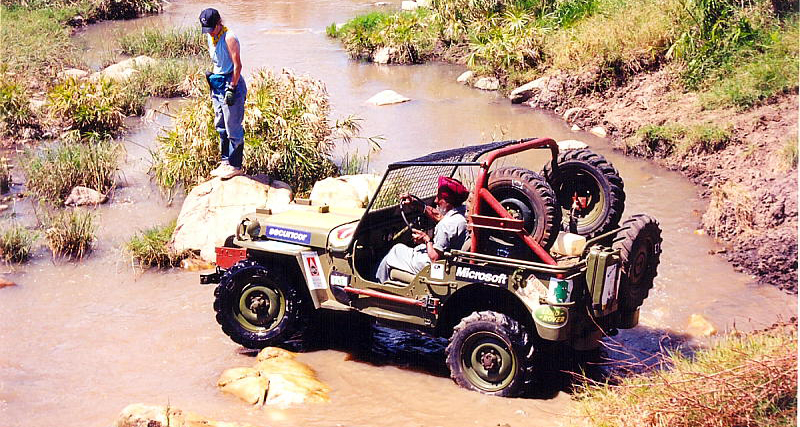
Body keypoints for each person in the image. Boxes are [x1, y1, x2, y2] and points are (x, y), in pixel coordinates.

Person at [376, 176, 469, 283]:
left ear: (448, 202)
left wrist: (426, 240)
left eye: (439, 198)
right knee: (416, 248)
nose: (435, 200)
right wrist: (418, 205)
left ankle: (377, 285)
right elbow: (440, 217)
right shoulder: (463, 216)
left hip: (435, 268)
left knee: (395, 251)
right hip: (451, 261)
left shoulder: (446, 225)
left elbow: (435, 259)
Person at [200, 8, 247, 180]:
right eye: (207, 29)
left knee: (232, 126)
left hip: (230, 84)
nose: (211, 31)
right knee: (220, 124)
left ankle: (236, 166)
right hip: (217, 84)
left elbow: (237, 66)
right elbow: (218, 61)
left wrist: (232, 88)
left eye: (213, 27)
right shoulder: (210, 36)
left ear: (219, 22)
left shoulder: (229, 37)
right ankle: (225, 162)